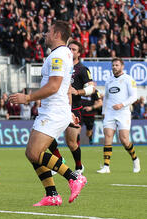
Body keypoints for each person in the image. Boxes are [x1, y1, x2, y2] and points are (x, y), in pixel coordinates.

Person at [9, 21, 87, 206]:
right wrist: (68, 112)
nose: (45, 34)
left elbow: (54, 86)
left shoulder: (59, 55)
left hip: (52, 112)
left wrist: (27, 98)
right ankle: (52, 194)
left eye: (48, 32)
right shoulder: (64, 54)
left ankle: (74, 177)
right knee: (32, 153)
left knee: (35, 152)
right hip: (54, 110)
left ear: (57, 34)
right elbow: (66, 87)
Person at [47, 40, 95, 174]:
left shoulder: (82, 69)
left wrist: (78, 92)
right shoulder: (61, 66)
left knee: (71, 142)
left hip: (74, 108)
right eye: (70, 49)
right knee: (48, 137)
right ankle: (59, 161)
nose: (71, 51)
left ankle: (79, 167)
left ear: (79, 53)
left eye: (74, 49)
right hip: (57, 106)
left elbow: (92, 88)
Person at [97, 58, 140, 174]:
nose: (114, 67)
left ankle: (135, 159)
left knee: (124, 140)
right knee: (108, 136)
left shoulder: (128, 79)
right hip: (110, 113)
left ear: (122, 66)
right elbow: (106, 98)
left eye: (117, 65)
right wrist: (104, 112)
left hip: (123, 112)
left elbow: (134, 97)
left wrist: (122, 104)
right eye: (113, 65)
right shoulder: (109, 81)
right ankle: (106, 166)